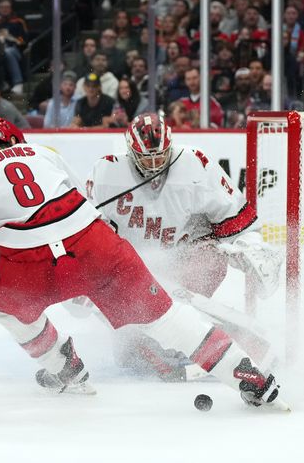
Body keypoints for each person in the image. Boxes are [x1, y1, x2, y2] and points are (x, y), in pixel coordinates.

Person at [0, 117, 288, 409]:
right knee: (167, 318)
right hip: (99, 252)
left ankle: (64, 367)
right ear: (19, 140)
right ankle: (246, 372)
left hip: (30, 269)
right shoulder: (43, 154)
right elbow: (78, 207)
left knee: (1, 304)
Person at [86, 114, 283, 379]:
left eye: (160, 157)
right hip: (134, 267)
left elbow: (237, 222)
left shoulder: (196, 165)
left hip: (186, 257)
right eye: (146, 158)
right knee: (127, 354)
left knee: (208, 261)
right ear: (130, 151)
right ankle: (158, 340)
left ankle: (190, 333)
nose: (155, 165)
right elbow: (91, 233)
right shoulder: (107, 172)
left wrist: (250, 249)